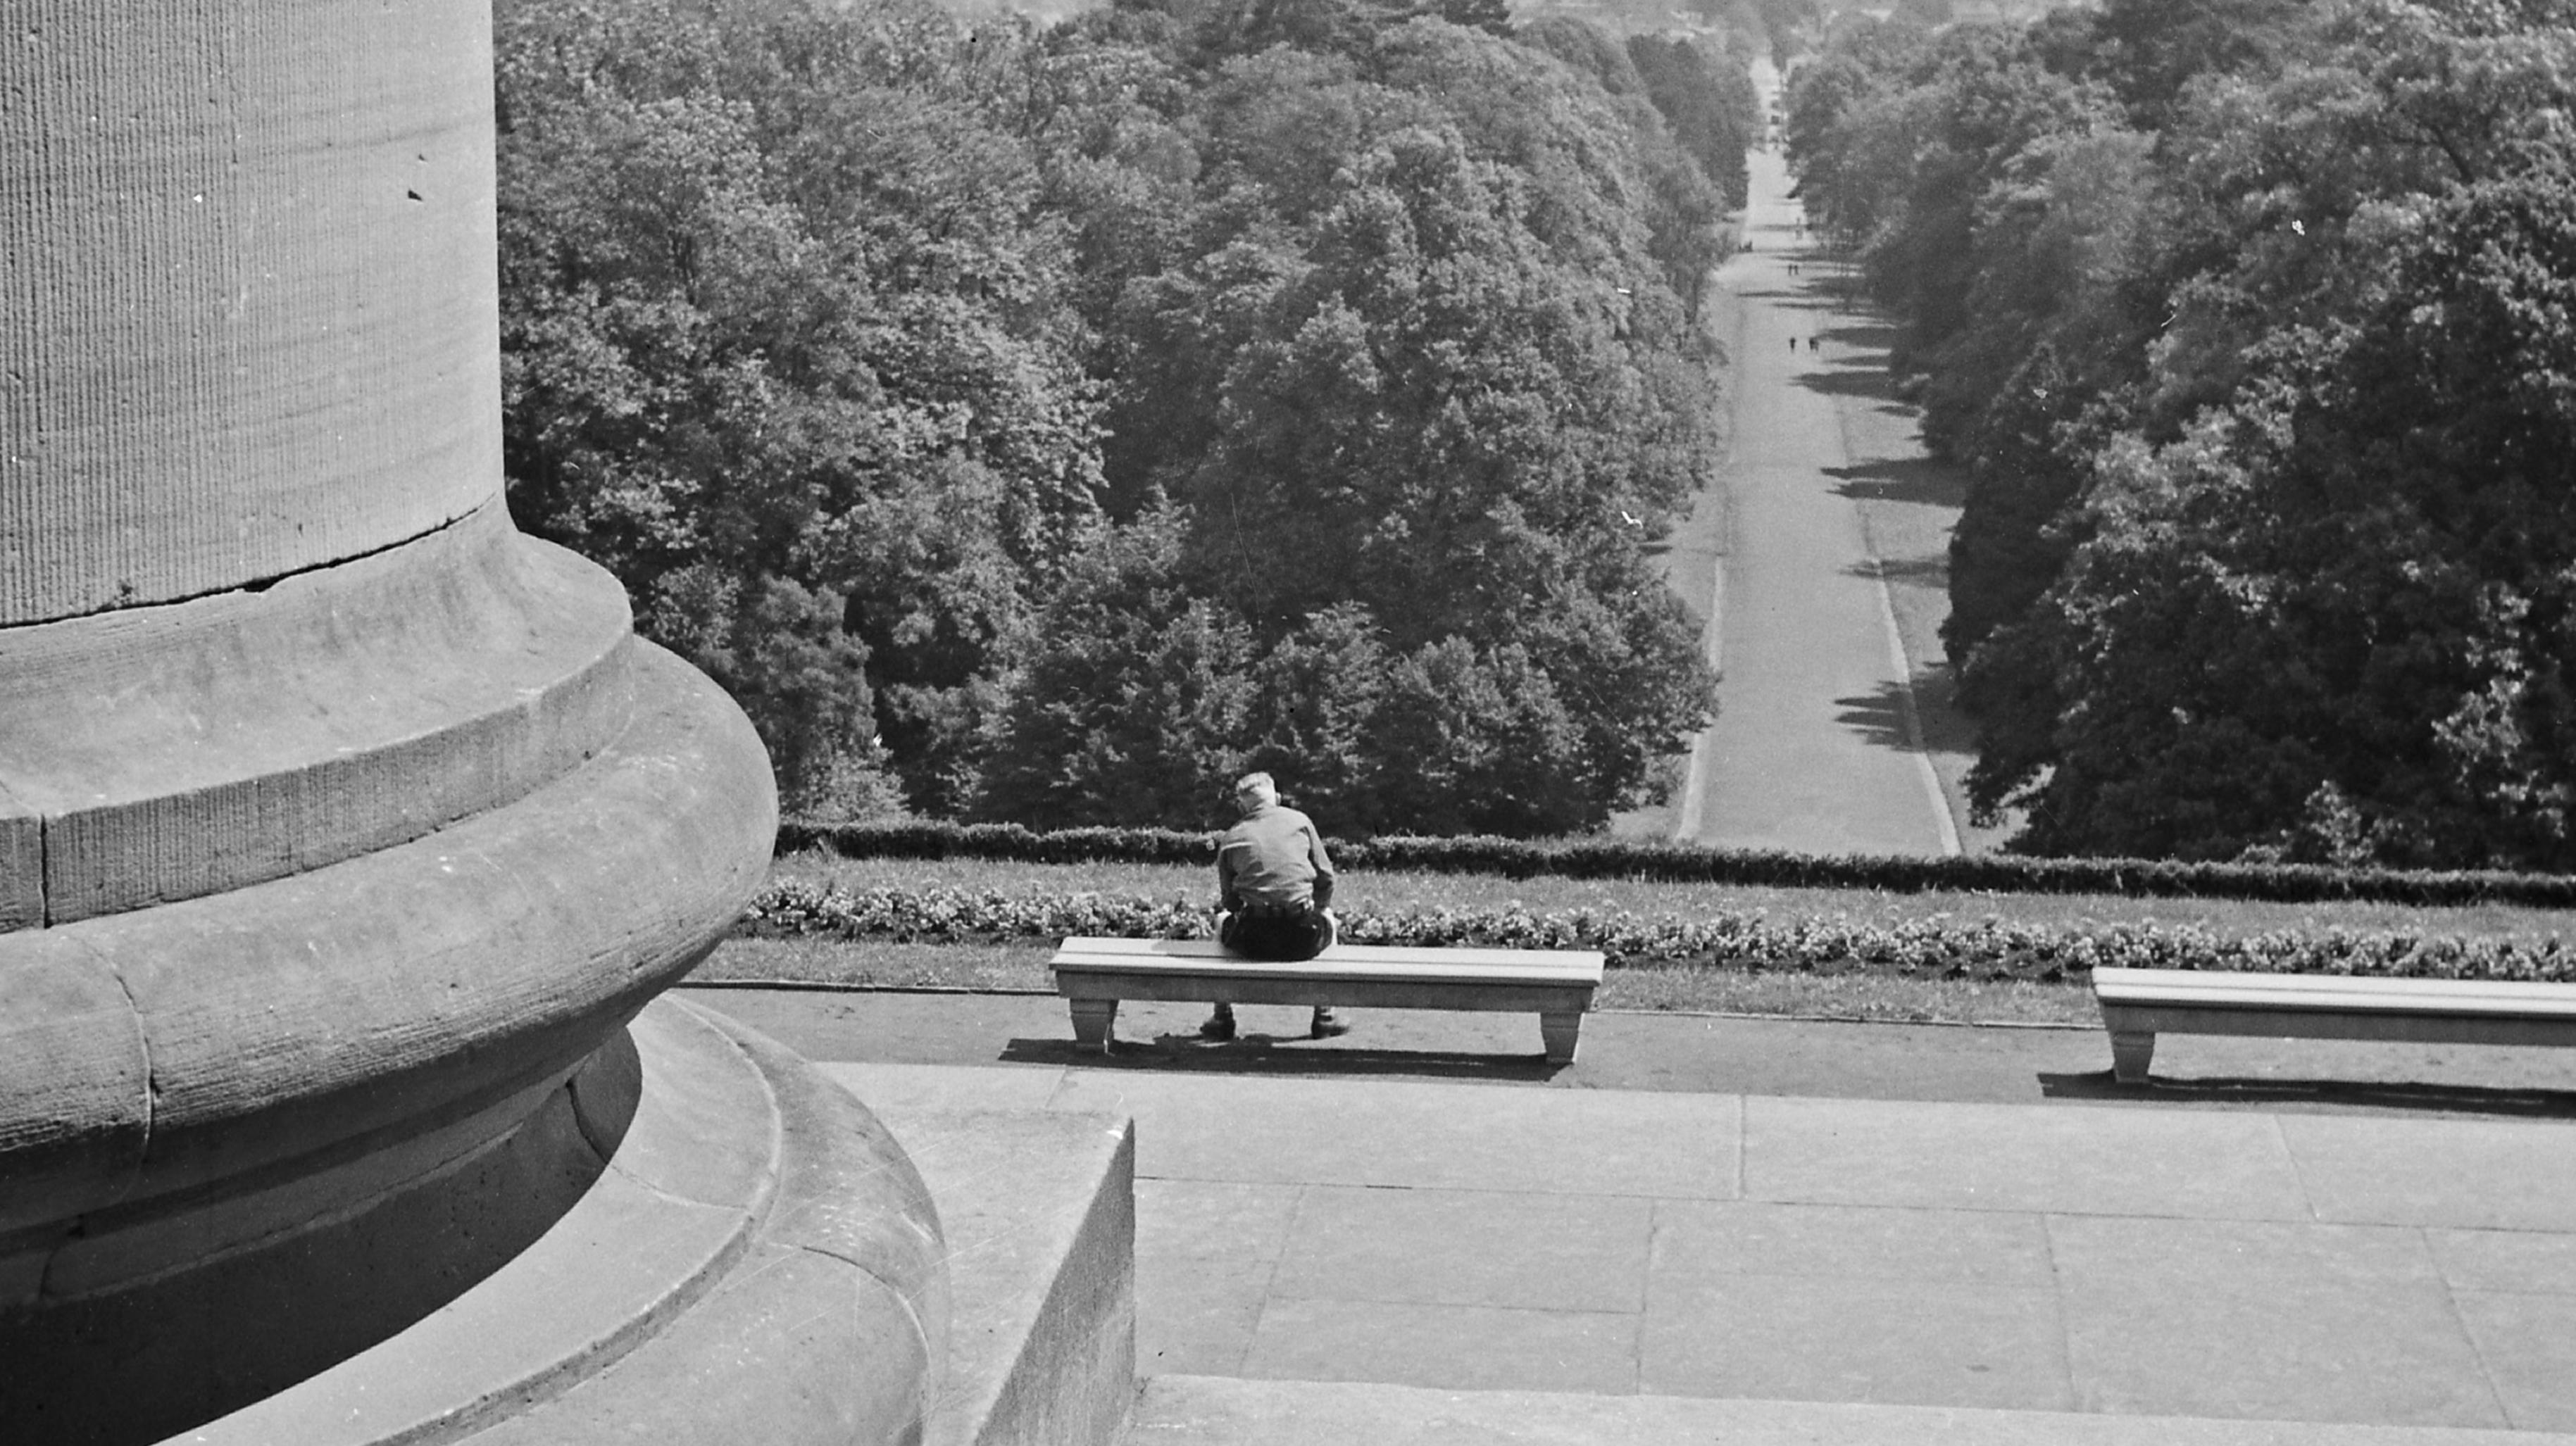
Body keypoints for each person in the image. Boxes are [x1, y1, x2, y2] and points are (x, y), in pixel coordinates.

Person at [1202, 772, 1346, 1041]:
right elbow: (1326, 878)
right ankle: (1325, 1015)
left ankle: (1222, 1017)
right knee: (1327, 915)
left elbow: (1230, 902)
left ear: (1242, 807)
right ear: (1277, 799)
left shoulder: (1232, 837)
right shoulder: (1300, 822)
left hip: (1253, 941)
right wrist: (1317, 907)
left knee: (1222, 920)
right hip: (1303, 938)